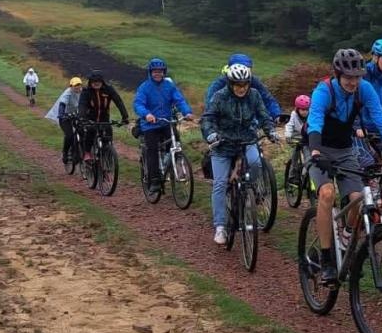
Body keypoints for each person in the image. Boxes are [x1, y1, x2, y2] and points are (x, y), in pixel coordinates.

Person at [306, 49, 382, 284]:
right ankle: (327, 259)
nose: (353, 82)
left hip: (346, 150)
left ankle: (347, 236)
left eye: (357, 76)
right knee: (327, 193)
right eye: (348, 77)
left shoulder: (364, 89)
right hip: (319, 149)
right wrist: (316, 151)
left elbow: (380, 119)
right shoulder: (324, 90)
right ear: (338, 74)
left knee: (358, 198)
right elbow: (315, 120)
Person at [201, 63, 275, 245]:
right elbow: (208, 118)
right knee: (219, 184)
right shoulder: (220, 97)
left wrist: (270, 130)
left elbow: (263, 115)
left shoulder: (254, 96)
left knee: (257, 162)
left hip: (246, 140)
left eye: (245, 85)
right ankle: (220, 226)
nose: (241, 89)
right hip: (223, 144)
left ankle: (250, 190)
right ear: (230, 83)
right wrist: (210, 134)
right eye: (237, 85)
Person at [134, 57, 193, 194]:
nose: (158, 74)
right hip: (150, 125)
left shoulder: (169, 86)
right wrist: (147, 114)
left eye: (160, 71)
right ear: (150, 72)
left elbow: (179, 100)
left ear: (164, 72)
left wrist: (187, 112)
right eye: (155, 71)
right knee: (152, 150)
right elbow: (138, 104)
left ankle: (173, 164)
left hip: (166, 122)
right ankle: (154, 181)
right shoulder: (144, 87)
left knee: (175, 142)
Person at [204, 52, 282, 119]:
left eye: (249, 69)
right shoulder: (219, 83)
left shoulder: (254, 81)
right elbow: (210, 103)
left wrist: (277, 115)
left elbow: (268, 99)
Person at [77, 71, 129, 162]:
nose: (96, 83)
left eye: (99, 81)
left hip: (104, 118)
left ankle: (107, 156)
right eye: (94, 81)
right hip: (90, 118)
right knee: (90, 132)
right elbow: (82, 105)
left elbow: (118, 102)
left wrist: (125, 116)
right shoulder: (86, 91)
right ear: (90, 82)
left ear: (102, 81)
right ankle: (87, 152)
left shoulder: (109, 89)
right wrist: (82, 118)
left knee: (108, 136)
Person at [48, 77, 83, 166]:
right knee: (69, 135)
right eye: (75, 86)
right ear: (71, 86)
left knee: (83, 132)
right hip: (65, 117)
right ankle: (65, 152)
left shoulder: (82, 92)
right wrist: (62, 114)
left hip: (76, 115)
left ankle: (79, 151)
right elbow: (62, 104)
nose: (77, 87)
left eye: (79, 85)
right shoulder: (67, 93)